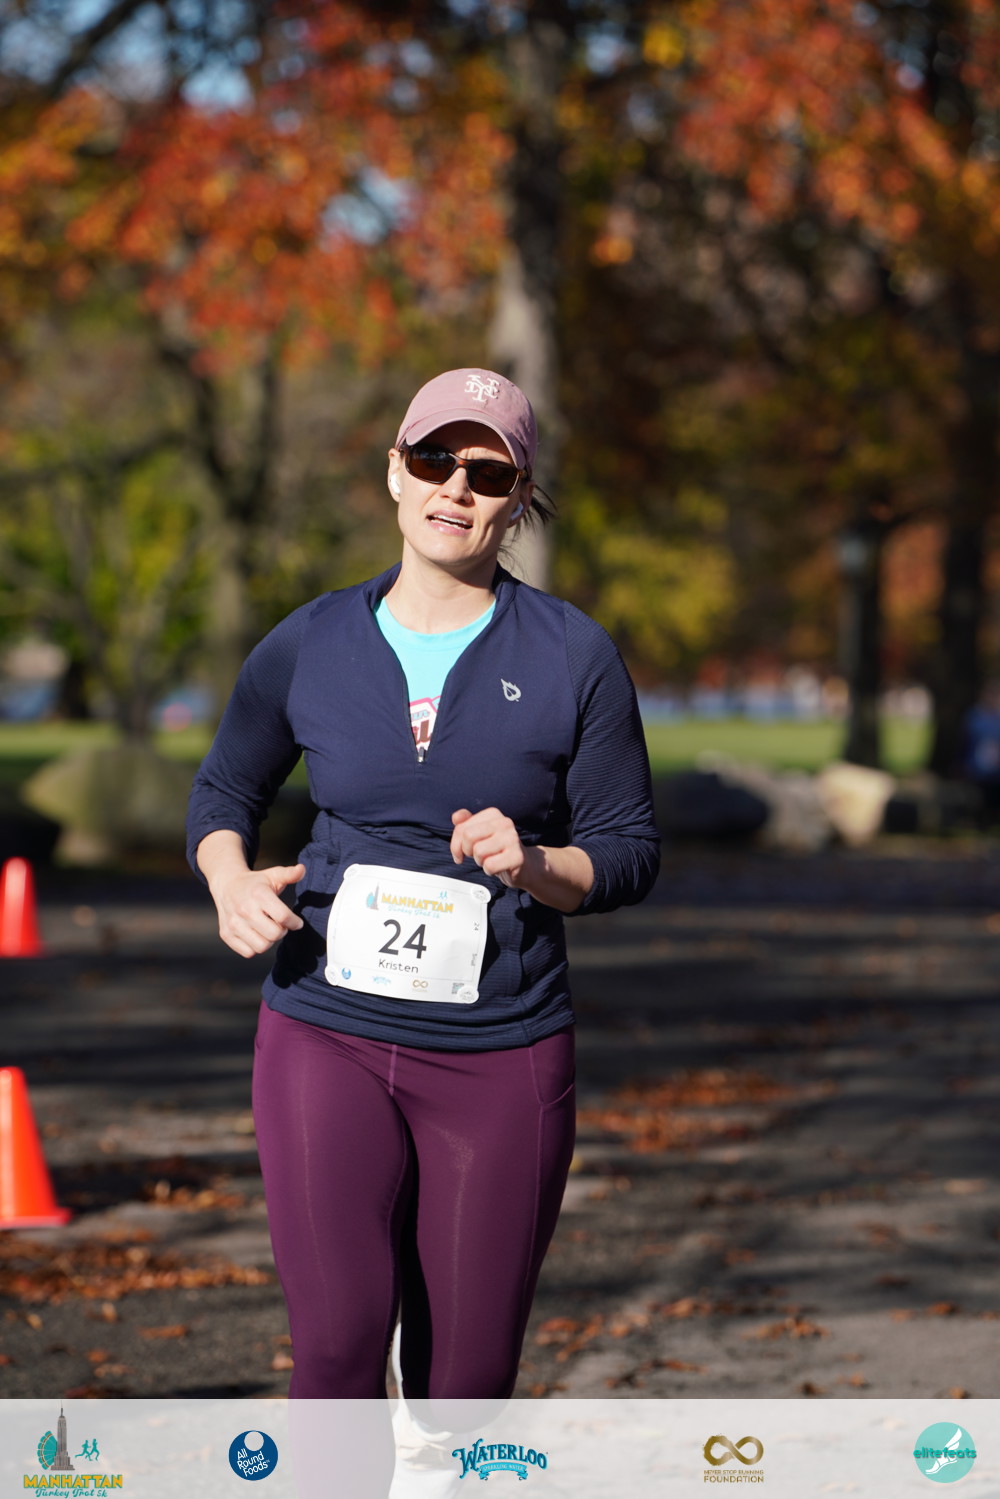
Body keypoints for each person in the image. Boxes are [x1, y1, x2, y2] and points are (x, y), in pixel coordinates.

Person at [186, 368, 660, 1406]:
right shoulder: (312, 639)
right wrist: (228, 878)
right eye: (435, 458)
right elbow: (224, 789)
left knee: (465, 1381)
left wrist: (534, 863)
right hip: (325, 1029)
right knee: (338, 1344)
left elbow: (627, 849)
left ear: (518, 500)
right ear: (395, 472)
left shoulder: (572, 652)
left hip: (501, 1050)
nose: (456, 487)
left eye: (487, 473)